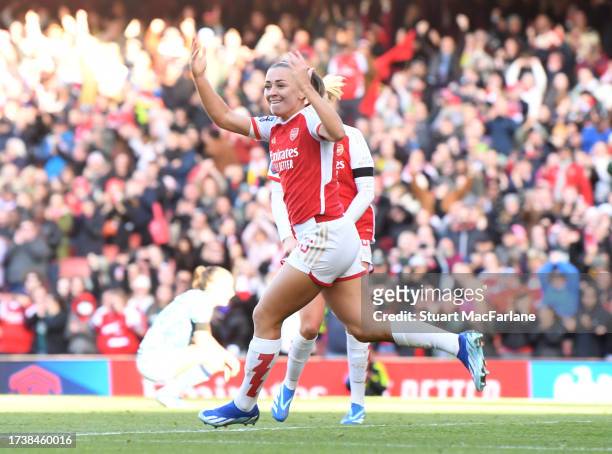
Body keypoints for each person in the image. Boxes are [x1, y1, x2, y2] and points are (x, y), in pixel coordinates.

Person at [190, 39, 487, 428]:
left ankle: (246, 404)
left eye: (281, 85)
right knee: (362, 326)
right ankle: (457, 342)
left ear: (301, 91)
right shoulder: (275, 128)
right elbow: (226, 118)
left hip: (325, 234)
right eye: (267, 85)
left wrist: (311, 91)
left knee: (265, 314)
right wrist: (199, 77)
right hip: (335, 238)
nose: (272, 92)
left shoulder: (312, 120)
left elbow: (335, 129)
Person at [269, 75, 374, 425]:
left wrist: (343, 227)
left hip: (353, 234)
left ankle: (357, 404)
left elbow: (366, 191)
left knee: (356, 324)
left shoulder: (352, 137)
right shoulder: (290, 135)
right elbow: (277, 194)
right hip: (311, 235)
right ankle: (287, 388)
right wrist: (287, 235)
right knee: (310, 325)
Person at [137, 266, 240, 408]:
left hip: (151, 359)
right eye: (228, 287)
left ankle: (169, 393)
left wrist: (224, 356)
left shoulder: (194, 297)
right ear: (212, 285)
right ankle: (169, 393)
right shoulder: (202, 300)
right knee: (212, 356)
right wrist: (228, 357)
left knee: (215, 359)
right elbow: (202, 340)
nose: (232, 292)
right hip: (154, 360)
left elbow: (201, 338)